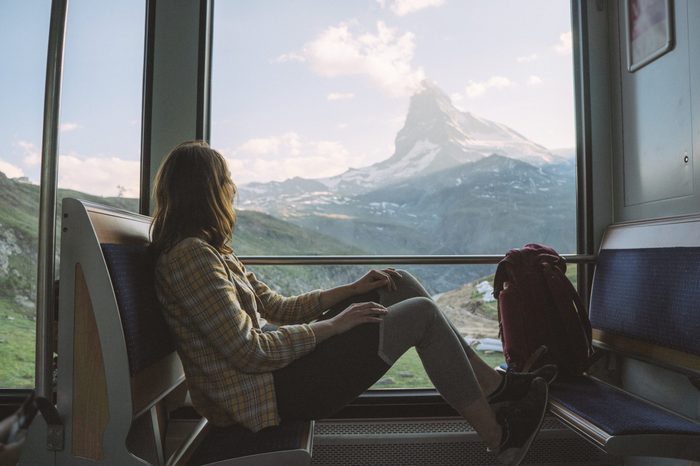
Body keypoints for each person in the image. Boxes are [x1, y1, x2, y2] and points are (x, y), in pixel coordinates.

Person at [150, 141, 554, 465]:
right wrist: (334, 325)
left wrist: (350, 290)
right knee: (423, 316)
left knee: (398, 282)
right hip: (261, 395)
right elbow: (249, 351)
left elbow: (275, 307)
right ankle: (500, 437)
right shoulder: (191, 257)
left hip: (274, 379)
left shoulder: (213, 251)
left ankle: (496, 387)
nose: (231, 191)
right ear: (207, 191)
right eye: (227, 182)